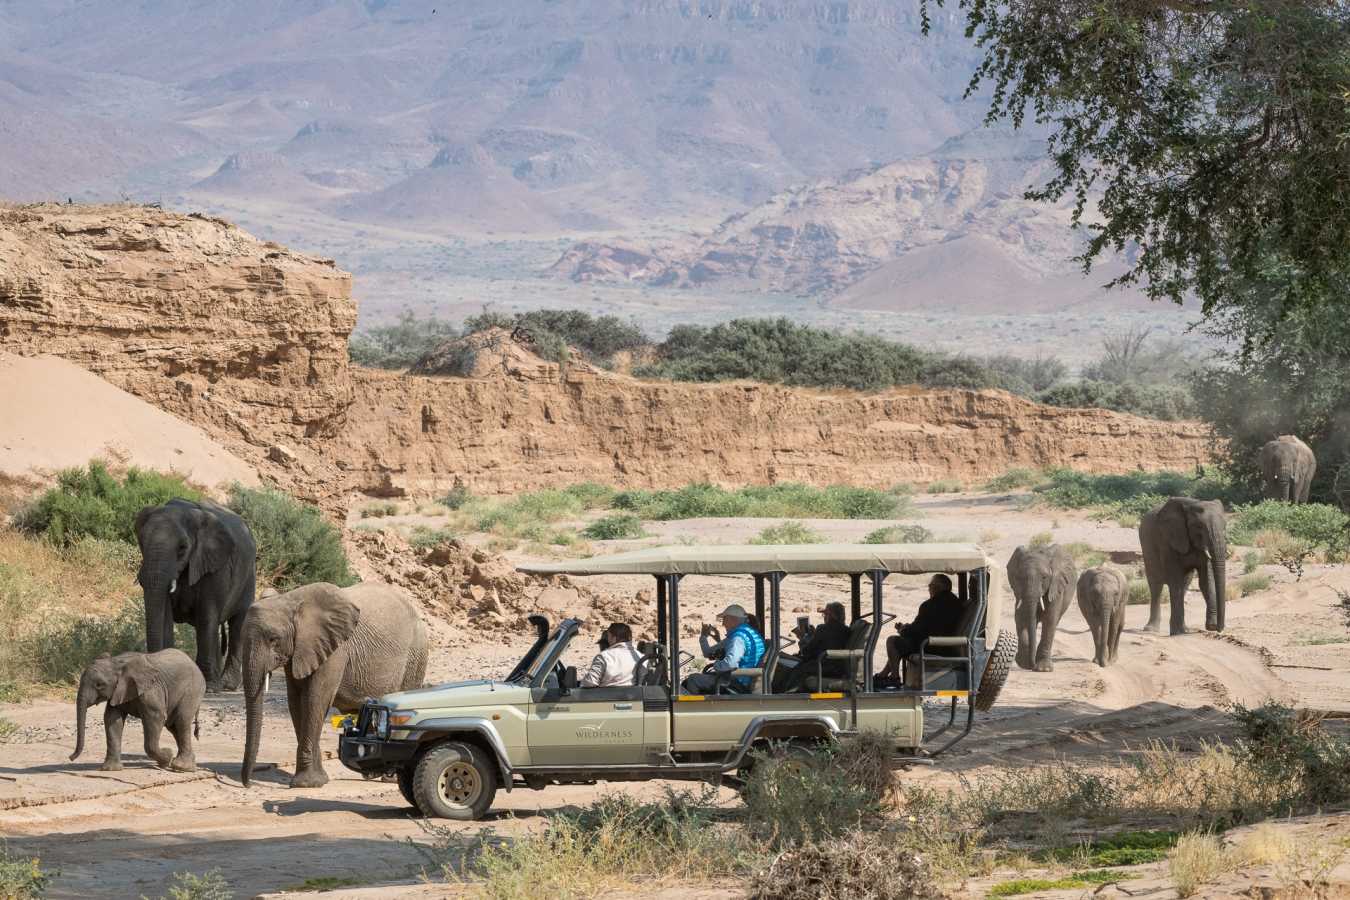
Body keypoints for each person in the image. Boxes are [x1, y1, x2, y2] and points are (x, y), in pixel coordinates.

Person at [876, 574, 966, 685]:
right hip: (944, 645)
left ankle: (894, 678)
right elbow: (925, 626)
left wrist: (903, 630)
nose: (929, 587)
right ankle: (884, 674)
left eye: (931, 584)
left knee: (893, 641)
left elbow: (917, 629)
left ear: (937, 587)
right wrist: (907, 629)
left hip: (931, 646)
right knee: (901, 644)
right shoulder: (956, 603)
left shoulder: (930, 605)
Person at [683, 604, 765, 694]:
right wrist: (705, 637)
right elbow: (709, 652)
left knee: (693, 679)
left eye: (724, 619)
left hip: (737, 681)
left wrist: (716, 665)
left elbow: (731, 663)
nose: (723, 624)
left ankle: (696, 707)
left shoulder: (738, 638)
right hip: (744, 678)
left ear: (732, 619)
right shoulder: (748, 633)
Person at [781, 601, 851, 692]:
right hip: (837, 667)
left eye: (825, 614)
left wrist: (803, 638)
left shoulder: (823, 628)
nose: (824, 617)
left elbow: (807, 652)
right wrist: (813, 636)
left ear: (831, 615)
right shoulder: (846, 630)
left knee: (797, 668)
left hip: (825, 666)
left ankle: (787, 693)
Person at [580, 622, 642, 688]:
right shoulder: (641, 657)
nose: (608, 640)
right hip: (634, 696)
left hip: (605, 697)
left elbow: (590, 682)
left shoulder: (604, 656)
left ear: (614, 638)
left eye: (609, 636)